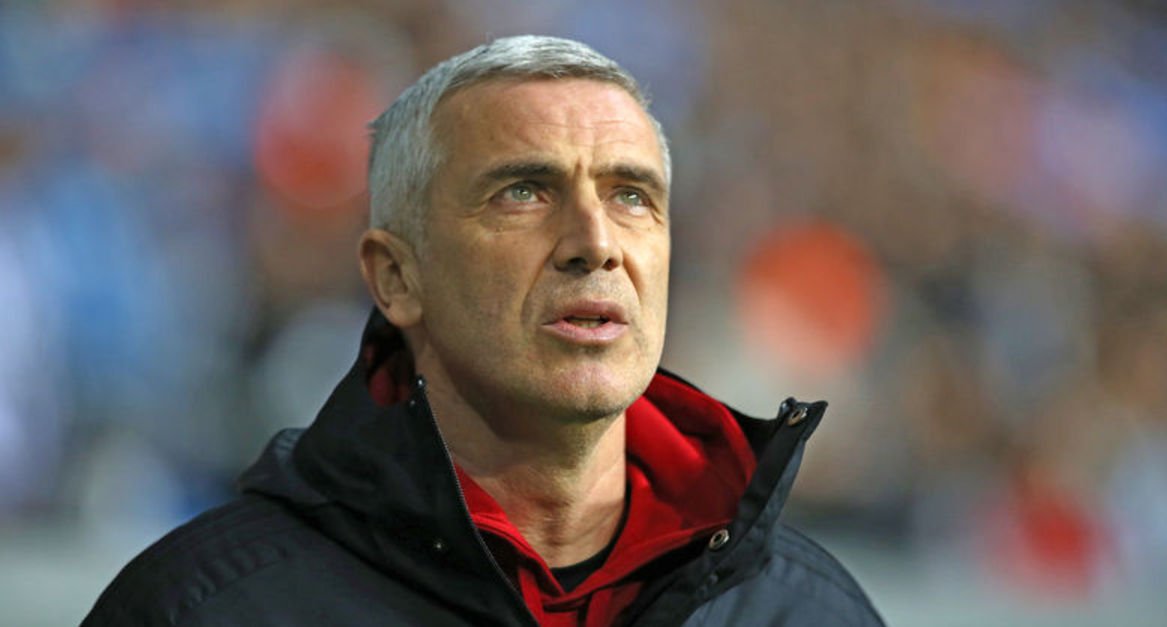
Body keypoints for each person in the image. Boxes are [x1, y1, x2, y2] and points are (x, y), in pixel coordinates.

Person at [82, 35, 884, 626]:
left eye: (631, 195)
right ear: (396, 277)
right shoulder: (203, 609)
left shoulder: (811, 613)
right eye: (524, 192)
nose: (595, 241)